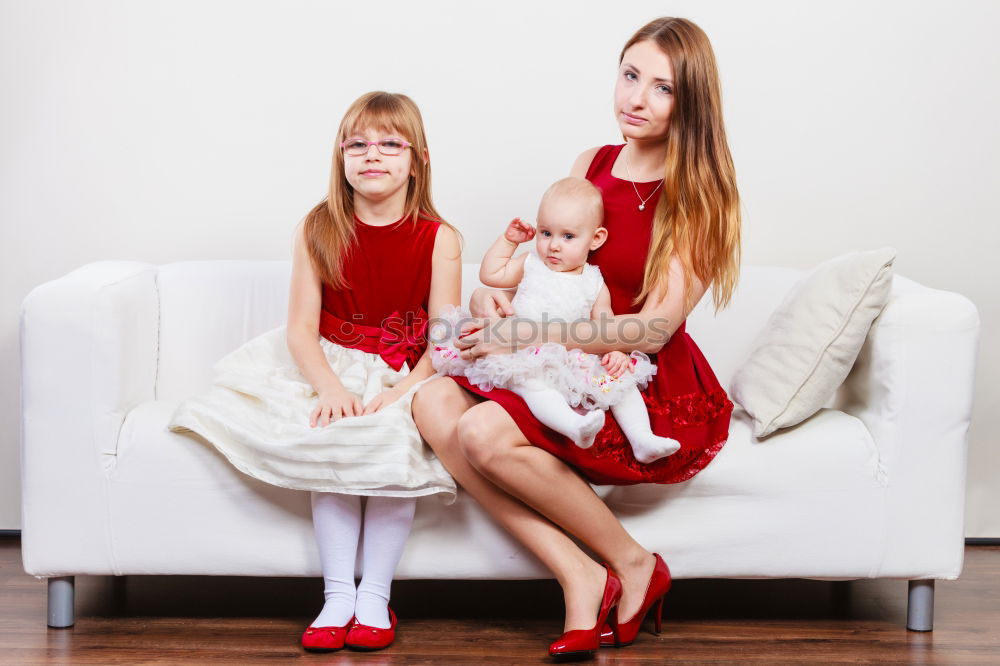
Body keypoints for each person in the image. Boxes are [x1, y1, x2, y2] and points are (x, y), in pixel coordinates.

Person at [411, 17, 740, 659]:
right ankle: (582, 574)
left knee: (480, 432)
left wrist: (525, 332)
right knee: (430, 402)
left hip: (632, 372)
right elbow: (555, 263)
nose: (636, 99)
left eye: (662, 88)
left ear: (691, 103)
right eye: (629, 75)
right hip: (555, 351)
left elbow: (654, 329)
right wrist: (496, 297)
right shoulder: (591, 163)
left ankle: (633, 563)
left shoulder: (699, 196)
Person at [167, 91, 461, 653]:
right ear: (341, 157)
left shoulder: (439, 238)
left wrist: (403, 391)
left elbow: (444, 339)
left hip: (406, 371)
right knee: (331, 441)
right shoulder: (318, 227)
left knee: (393, 443)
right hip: (329, 362)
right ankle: (337, 596)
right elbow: (301, 327)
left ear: (418, 157)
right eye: (359, 144)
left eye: (390, 144)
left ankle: (374, 595)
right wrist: (330, 387)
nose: (373, 155)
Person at [430, 177, 681, 463]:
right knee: (534, 386)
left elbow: (606, 324)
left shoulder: (593, 281)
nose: (553, 246)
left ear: (595, 238)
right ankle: (573, 426)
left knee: (621, 383)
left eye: (568, 237)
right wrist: (509, 241)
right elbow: (492, 275)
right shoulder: (530, 263)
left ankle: (642, 439)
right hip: (521, 351)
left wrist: (616, 352)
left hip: (573, 356)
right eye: (546, 233)